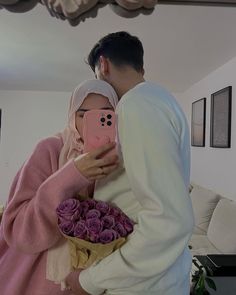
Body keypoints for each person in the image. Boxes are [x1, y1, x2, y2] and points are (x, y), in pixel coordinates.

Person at [66, 31, 195, 295]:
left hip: (144, 284)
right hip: (155, 276)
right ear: (141, 67)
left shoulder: (136, 105)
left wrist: (91, 280)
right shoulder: (163, 101)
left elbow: (169, 220)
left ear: (102, 65)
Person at [0, 79, 119, 295]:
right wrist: (73, 174)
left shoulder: (123, 158)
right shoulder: (50, 149)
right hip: (38, 282)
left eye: (105, 115)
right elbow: (17, 230)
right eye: (84, 115)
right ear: (72, 116)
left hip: (94, 283)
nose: (94, 122)